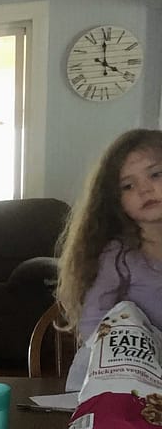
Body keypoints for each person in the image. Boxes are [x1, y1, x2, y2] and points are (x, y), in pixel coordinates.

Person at [56, 128, 162, 391]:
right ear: (116, 201)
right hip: (125, 381)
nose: (145, 189)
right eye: (128, 185)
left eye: (156, 174)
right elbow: (93, 324)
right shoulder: (116, 256)